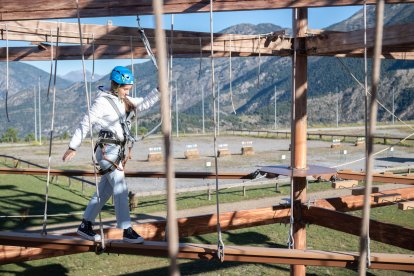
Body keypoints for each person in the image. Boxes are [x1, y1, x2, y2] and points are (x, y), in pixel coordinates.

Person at [62, 66, 159, 243]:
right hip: (107, 151)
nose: (126, 92)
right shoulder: (102, 102)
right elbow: (85, 124)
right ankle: (126, 229)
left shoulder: (122, 99)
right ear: (115, 85)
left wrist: (159, 91)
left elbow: (143, 103)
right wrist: (73, 146)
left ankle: (85, 225)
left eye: (128, 89)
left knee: (105, 191)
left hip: (115, 151)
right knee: (120, 187)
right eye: (125, 89)